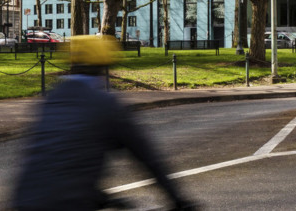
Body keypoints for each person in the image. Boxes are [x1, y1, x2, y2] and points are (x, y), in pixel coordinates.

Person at [12, 35, 195, 211]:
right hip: (69, 204)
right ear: (104, 68)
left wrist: (102, 198)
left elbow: (57, 160)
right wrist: (178, 200)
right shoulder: (105, 104)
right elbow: (147, 158)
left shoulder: (52, 99)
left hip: (25, 199)